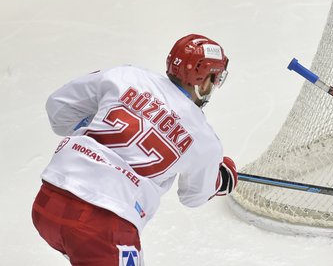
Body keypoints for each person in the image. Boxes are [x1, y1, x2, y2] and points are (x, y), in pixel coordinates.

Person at [31, 34, 239, 265]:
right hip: (103, 224)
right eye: (215, 78)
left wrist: (97, 136)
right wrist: (219, 180)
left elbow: (59, 109)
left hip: (48, 202)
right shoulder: (204, 139)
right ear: (202, 80)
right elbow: (193, 196)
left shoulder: (127, 75)